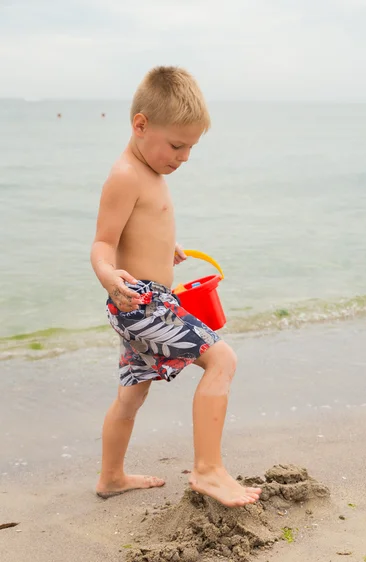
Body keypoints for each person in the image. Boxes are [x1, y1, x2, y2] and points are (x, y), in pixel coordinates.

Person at [90, 66, 262, 507]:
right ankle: (208, 470)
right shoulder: (126, 174)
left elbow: (138, 230)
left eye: (191, 147)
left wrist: (167, 246)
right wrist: (109, 277)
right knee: (222, 360)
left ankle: (110, 477)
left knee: (132, 393)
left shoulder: (149, 172)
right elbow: (103, 245)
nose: (184, 156)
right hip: (141, 302)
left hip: (145, 302)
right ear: (141, 125)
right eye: (177, 145)